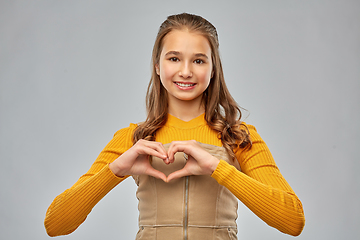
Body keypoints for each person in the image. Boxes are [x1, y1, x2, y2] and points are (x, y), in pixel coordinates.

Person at [44, 13, 305, 239]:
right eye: (174, 58)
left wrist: (218, 168)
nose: (186, 71)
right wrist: (115, 170)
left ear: (213, 70)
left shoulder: (238, 137)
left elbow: (293, 221)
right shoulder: (133, 138)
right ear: (157, 66)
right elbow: (55, 224)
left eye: (199, 60)